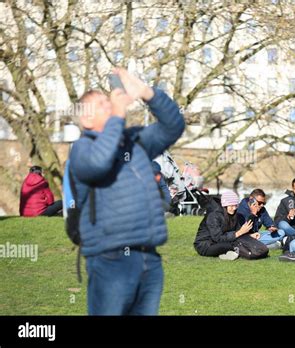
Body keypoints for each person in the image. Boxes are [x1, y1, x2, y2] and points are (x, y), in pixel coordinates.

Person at [69, 68, 185, 315]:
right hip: (110, 260)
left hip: (148, 259)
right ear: (87, 120)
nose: (110, 104)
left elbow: (173, 125)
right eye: (102, 104)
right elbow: (100, 162)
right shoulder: (82, 149)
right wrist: (118, 115)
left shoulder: (135, 142)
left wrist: (146, 92)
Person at [194, 191, 257, 260]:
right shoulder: (213, 215)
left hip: (220, 241)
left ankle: (228, 253)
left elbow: (238, 231)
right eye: (231, 206)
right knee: (233, 244)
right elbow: (218, 238)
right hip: (205, 245)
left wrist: (249, 235)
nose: (234, 208)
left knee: (239, 242)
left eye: (235, 205)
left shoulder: (235, 214)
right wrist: (239, 233)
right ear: (225, 205)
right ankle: (232, 252)